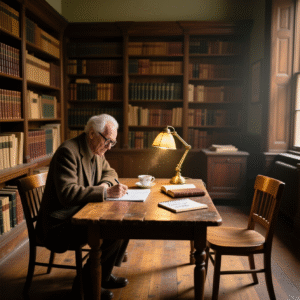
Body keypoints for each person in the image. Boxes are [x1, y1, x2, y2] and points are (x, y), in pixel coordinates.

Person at [36, 114, 129, 300]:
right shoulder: (68, 152)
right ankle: (85, 284)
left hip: (80, 213)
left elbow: (110, 172)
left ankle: (103, 274)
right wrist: (105, 193)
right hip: (59, 223)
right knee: (112, 228)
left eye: (113, 142)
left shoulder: (96, 150)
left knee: (123, 224)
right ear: (92, 133)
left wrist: (104, 185)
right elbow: (67, 194)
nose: (109, 147)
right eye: (108, 141)